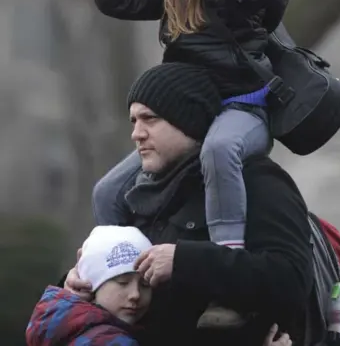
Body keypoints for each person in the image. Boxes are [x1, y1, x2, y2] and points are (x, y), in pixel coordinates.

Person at [81, 0, 296, 257]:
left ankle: (225, 254)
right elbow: (117, 0)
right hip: (184, 119)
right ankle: (116, 267)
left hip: (243, 108)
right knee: (108, 191)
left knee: (220, 148)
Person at [66, 62, 313, 346]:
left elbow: (292, 280)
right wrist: (77, 284)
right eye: (134, 121)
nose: (137, 133)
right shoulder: (137, 195)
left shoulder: (257, 182)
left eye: (150, 118)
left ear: (189, 121)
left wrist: (184, 261)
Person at [26, 225, 153, 346]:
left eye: (145, 284)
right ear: (90, 284)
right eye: (123, 283)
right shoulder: (111, 342)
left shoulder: (58, 326)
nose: (135, 294)